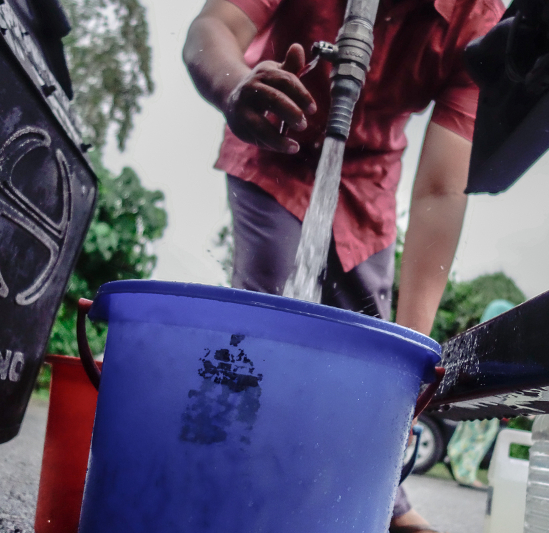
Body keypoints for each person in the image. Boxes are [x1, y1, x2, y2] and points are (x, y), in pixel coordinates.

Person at [183, 0, 504, 530]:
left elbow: (443, 190)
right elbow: (211, 26)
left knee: (371, 345)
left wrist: (411, 362)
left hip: (368, 178)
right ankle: (223, 482)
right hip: (271, 140)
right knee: (262, 330)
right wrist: (233, 86)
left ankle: (378, 502)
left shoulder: (476, 18)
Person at [445, 299, 516, 489]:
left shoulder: (478, 342)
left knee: (467, 430)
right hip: (488, 397)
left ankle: (454, 456)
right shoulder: (500, 347)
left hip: (472, 393)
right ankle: (466, 474)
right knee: (482, 434)